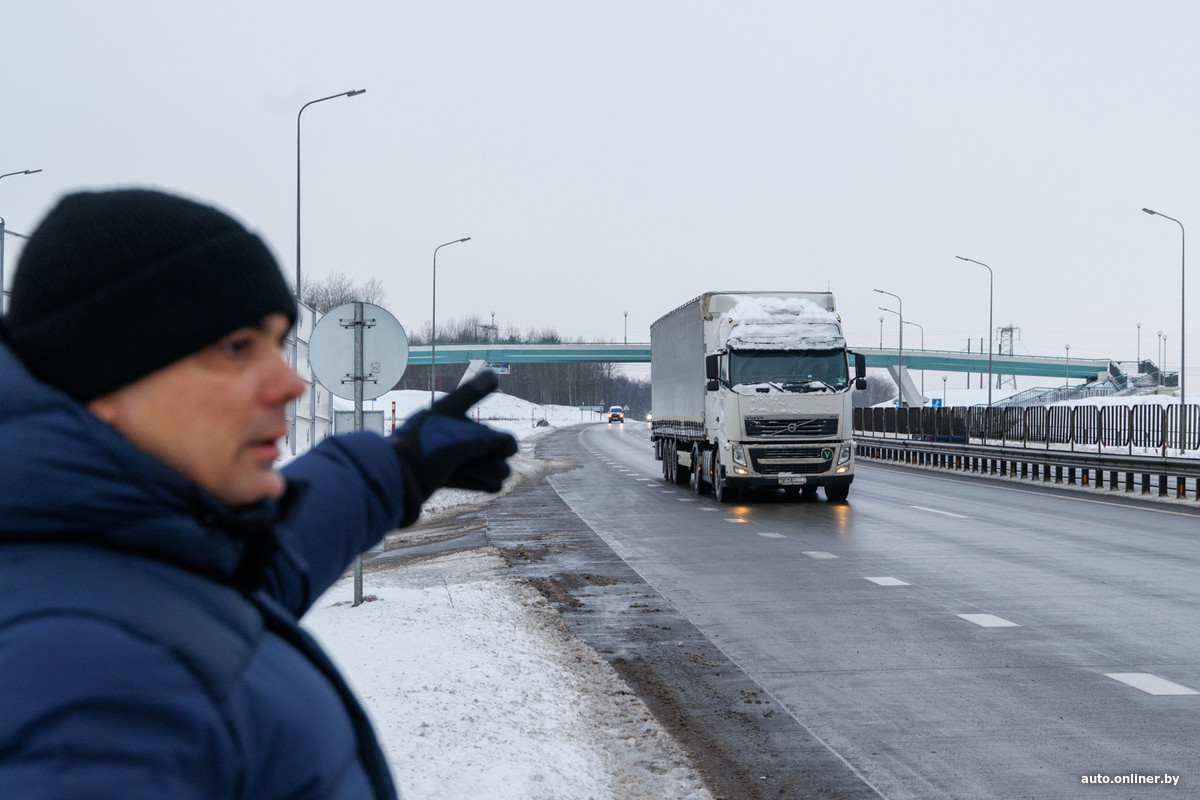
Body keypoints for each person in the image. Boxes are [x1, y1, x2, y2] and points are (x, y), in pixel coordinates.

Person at [0, 188, 518, 799]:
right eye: (236, 347)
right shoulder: (85, 686)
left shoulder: (118, 557)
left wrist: (397, 467)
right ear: (103, 374)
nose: (291, 384)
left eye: (277, 342)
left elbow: (265, 567)